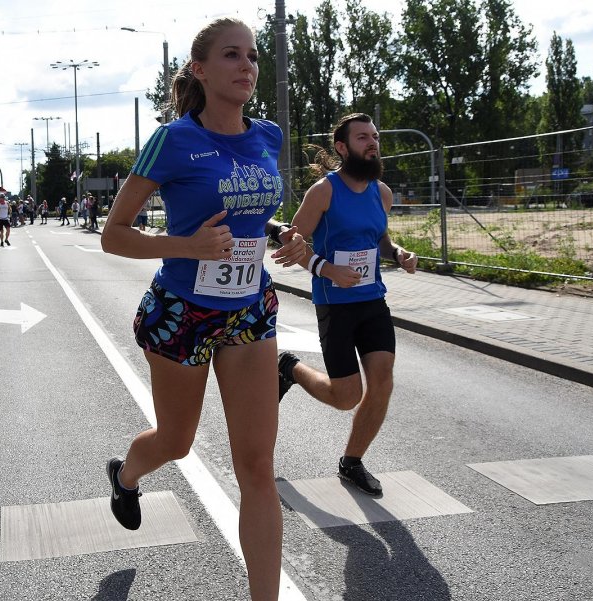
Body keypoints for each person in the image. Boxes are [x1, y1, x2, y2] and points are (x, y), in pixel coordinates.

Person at [100, 18, 305, 601]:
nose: (247, 66)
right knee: (177, 441)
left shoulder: (267, 136)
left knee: (257, 467)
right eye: (231, 55)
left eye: (253, 56)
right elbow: (114, 235)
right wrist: (185, 245)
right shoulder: (173, 139)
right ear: (200, 69)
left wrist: (283, 234)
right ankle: (126, 474)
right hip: (181, 311)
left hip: (249, 309)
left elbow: (249, 215)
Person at [275, 112, 418, 497]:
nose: (372, 143)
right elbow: (292, 243)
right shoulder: (324, 191)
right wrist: (327, 270)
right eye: (363, 138)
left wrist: (398, 253)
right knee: (346, 397)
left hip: (373, 300)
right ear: (343, 147)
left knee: (383, 382)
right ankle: (289, 368)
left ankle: (352, 461)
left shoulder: (381, 192)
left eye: (375, 136)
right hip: (335, 304)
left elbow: (380, 238)